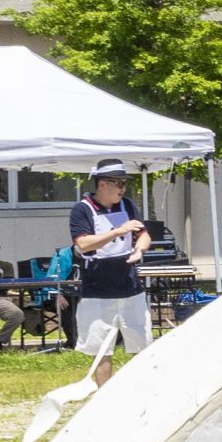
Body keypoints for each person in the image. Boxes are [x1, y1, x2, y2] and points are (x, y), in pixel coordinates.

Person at [68, 158, 152, 386]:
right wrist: (117, 232)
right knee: (102, 349)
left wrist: (139, 249)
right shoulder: (82, 210)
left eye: (125, 183)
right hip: (97, 290)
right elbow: (83, 244)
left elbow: (144, 234)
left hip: (130, 288)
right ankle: (103, 396)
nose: (123, 189)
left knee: (142, 345)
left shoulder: (127, 205)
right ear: (102, 184)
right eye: (119, 184)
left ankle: (143, 391)